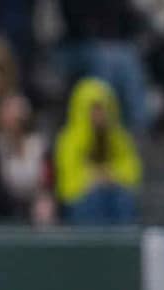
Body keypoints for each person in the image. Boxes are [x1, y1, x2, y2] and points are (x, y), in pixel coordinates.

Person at [55, 78, 142, 224]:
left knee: (123, 199)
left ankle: (123, 244)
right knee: (93, 199)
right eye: (94, 108)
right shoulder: (69, 139)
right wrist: (94, 177)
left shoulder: (119, 137)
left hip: (113, 193)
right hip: (83, 198)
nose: (99, 114)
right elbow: (68, 178)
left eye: (103, 108)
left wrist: (110, 175)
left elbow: (131, 170)